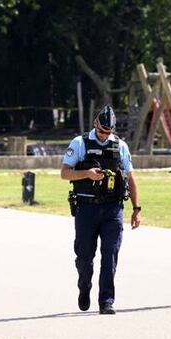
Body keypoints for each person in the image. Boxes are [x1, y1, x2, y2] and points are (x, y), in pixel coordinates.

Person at [61, 104, 142, 315]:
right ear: (95, 123)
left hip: (112, 209)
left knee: (110, 254)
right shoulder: (79, 143)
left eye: (109, 131)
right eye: (102, 130)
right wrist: (86, 173)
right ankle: (84, 286)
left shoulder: (120, 146)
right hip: (86, 209)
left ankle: (106, 300)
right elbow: (65, 173)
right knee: (85, 257)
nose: (105, 135)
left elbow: (130, 179)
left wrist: (136, 209)